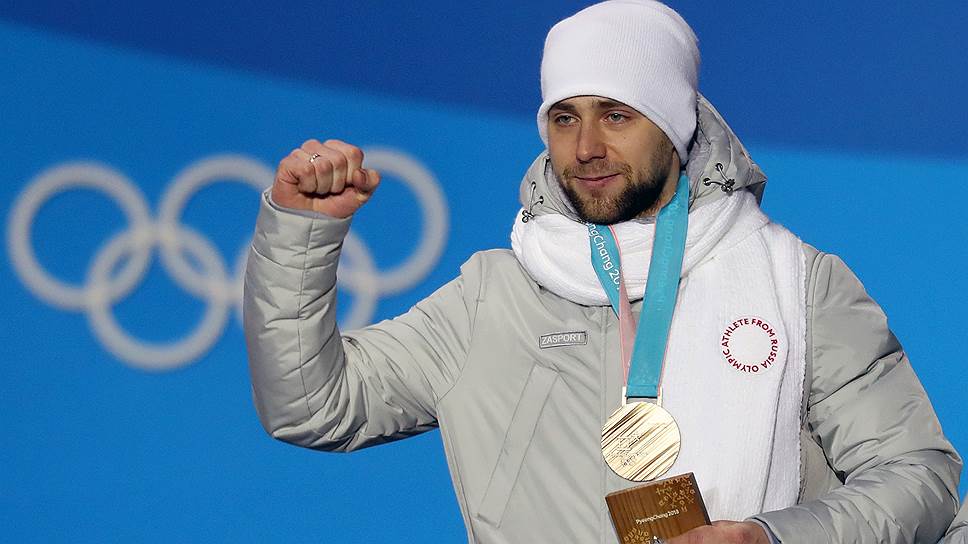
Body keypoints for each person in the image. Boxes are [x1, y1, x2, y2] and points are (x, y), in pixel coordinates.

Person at [243, 1, 961, 542]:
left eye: (617, 115)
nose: (585, 146)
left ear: (676, 125)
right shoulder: (491, 297)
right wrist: (302, 229)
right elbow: (311, 405)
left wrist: (773, 538)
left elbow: (920, 477)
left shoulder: (799, 284)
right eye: (564, 117)